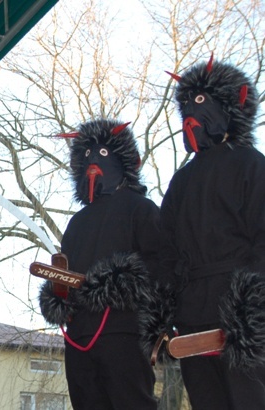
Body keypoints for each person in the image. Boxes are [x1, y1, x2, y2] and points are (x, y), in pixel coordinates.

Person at [156, 55, 265, 409]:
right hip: (196, 320)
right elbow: (165, 254)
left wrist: (252, 307)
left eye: (199, 101)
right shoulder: (181, 181)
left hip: (240, 316)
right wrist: (167, 315)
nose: (190, 112)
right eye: (186, 104)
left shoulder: (251, 164)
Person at [38, 119, 159, 409]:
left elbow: (160, 265)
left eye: (102, 154)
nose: (93, 161)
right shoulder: (76, 223)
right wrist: (57, 296)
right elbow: (66, 272)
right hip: (79, 336)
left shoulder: (141, 209)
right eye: (88, 155)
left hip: (125, 331)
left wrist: (120, 286)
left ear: (121, 159)